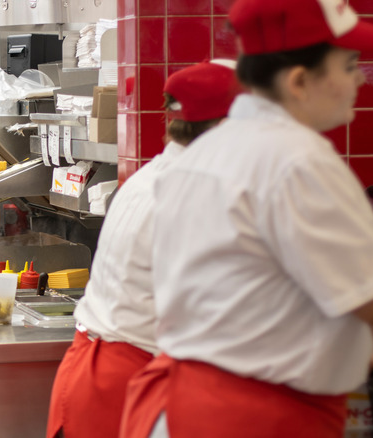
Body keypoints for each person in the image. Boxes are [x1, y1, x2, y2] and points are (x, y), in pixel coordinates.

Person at [119, 0, 373, 437]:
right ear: (300, 81)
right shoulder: (300, 162)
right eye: (350, 64)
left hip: (180, 408)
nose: (359, 79)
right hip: (255, 417)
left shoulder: (199, 156)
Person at [45, 60, 241, 438]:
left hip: (96, 368)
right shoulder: (196, 193)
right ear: (225, 127)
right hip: (122, 381)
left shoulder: (154, 175)